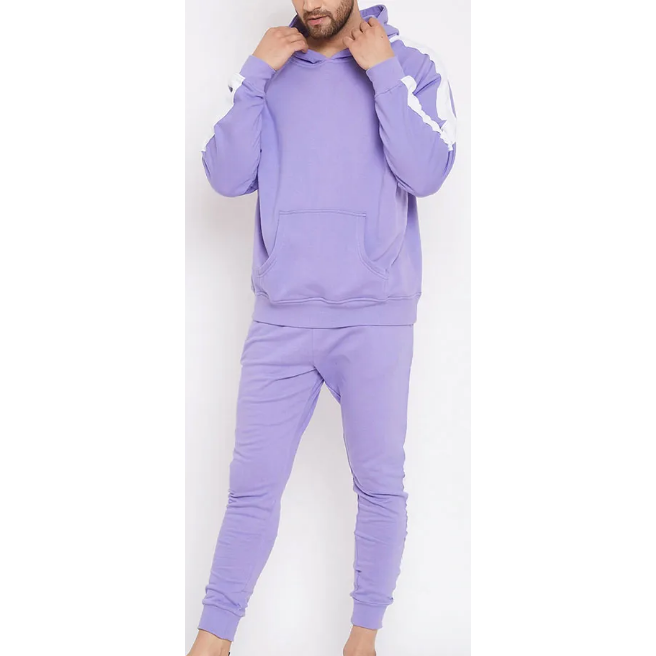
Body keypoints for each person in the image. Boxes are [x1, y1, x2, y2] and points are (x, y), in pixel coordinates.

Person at [188, 2, 456, 655]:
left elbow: (429, 171)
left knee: (379, 485)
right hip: (281, 318)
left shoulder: (411, 63)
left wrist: (383, 73)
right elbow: (225, 176)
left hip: (373, 318)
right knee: (251, 490)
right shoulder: (269, 66)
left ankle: (361, 644)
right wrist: (255, 73)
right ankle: (210, 645)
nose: (312, 4)